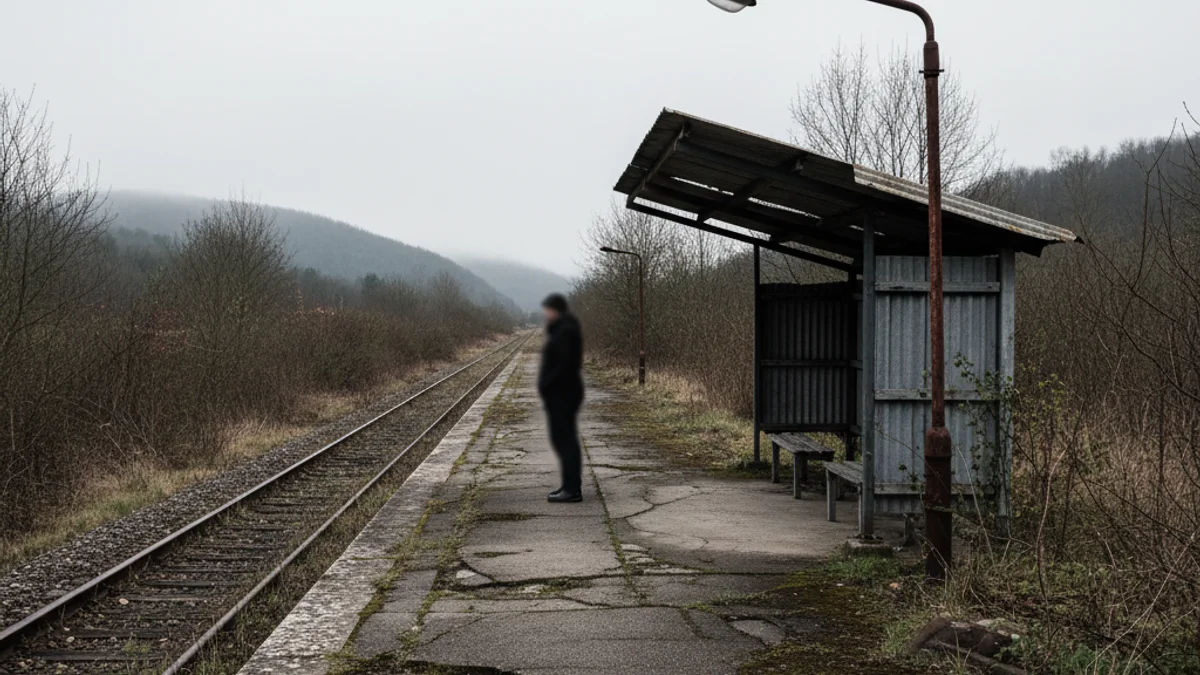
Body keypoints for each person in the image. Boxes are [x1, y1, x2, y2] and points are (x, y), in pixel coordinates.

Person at [538, 293, 585, 503]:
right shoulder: (563, 329)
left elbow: (564, 365)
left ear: (556, 310)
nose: (545, 314)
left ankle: (572, 489)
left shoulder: (565, 331)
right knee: (563, 440)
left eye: (547, 309)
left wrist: (548, 384)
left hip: (563, 394)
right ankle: (568, 485)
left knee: (565, 441)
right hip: (561, 393)